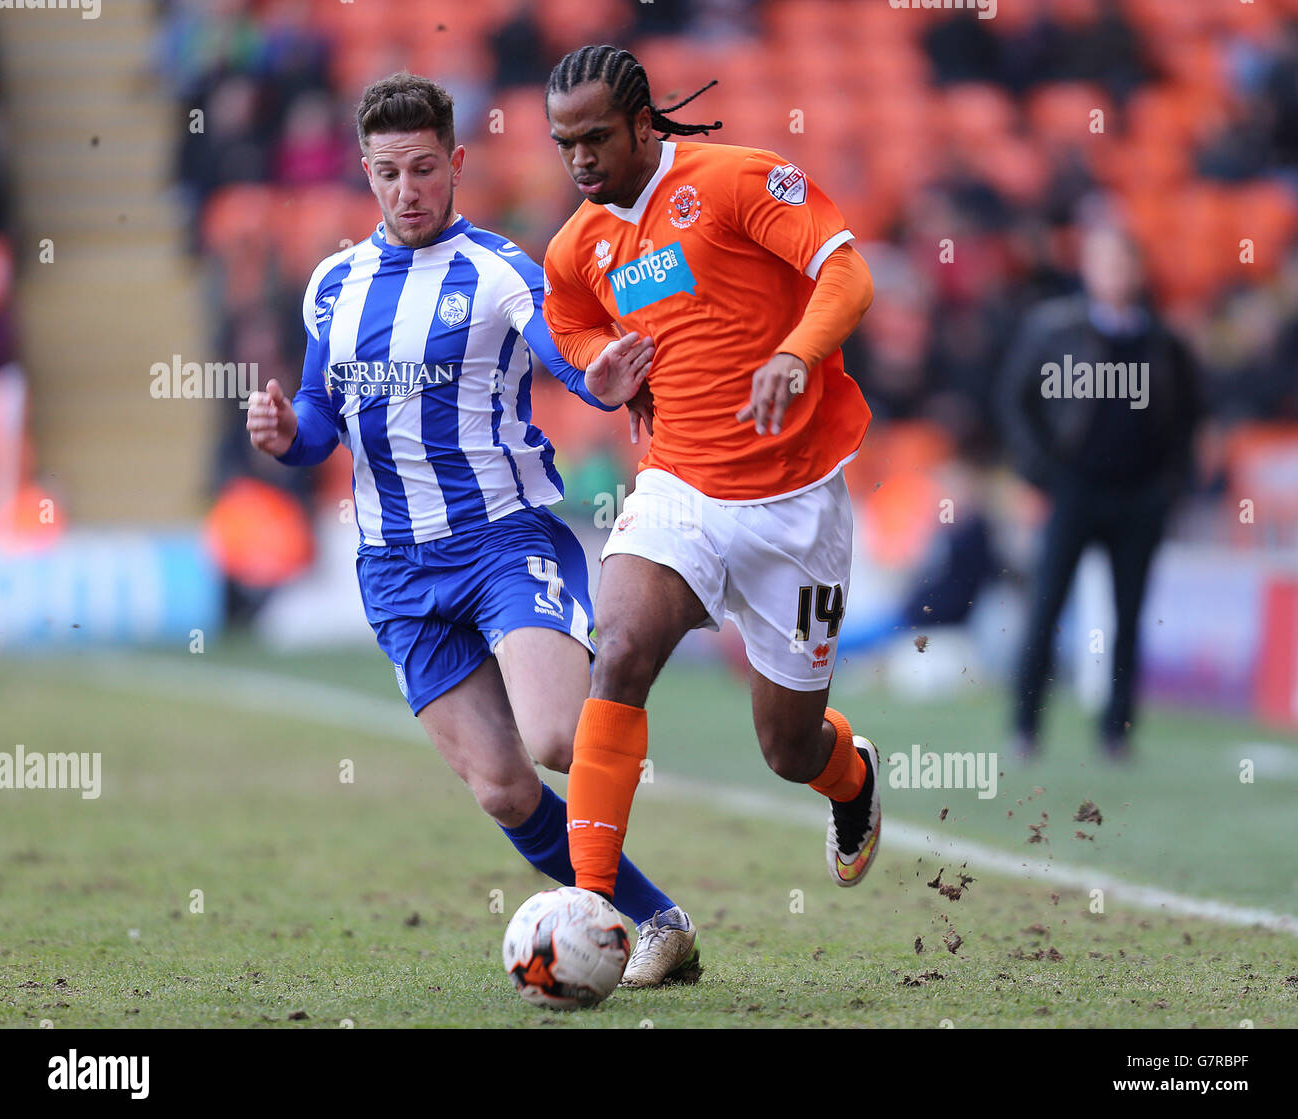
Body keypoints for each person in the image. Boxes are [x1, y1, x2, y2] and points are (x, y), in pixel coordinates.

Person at [246, 72, 695, 987]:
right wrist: (289, 435)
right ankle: (659, 922)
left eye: (421, 169)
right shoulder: (333, 287)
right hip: (395, 571)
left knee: (557, 740)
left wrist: (597, 380)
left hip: (501, 542)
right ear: (364, 173)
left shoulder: (498, 271)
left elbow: (565, 354)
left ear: (454, 164)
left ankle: (624, 683)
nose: (405, 191)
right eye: (385, 173)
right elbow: (322, 414)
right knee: (505, 788)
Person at [539, 45, 882, 977]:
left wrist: (796, 355)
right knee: (620, 649)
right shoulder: (578, 245)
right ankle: (593, 903)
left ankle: (851, 775)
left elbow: (847, 274)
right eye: (563, 142)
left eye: (596, 137)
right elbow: (568, 320)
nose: (578, 158)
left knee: (787, 744)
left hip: (795, 502)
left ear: (644, 123)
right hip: (678, 488)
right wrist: (596, 369)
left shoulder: (735, 182)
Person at [997, 221, 1202, 761]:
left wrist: (1171, 485)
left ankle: (1116, 732)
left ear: (1137, 270)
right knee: (1046, 608)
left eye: (1122, 263)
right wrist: (1039, 472)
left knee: (1129, 617)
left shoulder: (1163, 341)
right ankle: (1025, 727)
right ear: (1087, 270)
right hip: (1073, 491)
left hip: (1139, 497)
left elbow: (1188, 418)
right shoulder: (1054, 330)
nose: (1113, 274)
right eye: (1103, 262)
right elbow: (1015, 400)